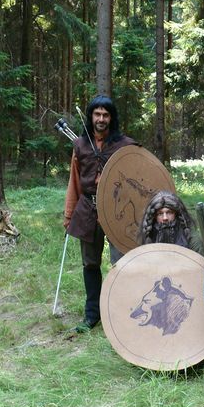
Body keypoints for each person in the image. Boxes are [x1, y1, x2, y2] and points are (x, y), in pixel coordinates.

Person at [64, 95, 137, 333]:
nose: (101, 119)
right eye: (97, 114)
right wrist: (69, 214)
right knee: (90, 263)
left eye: (106, 115)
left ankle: (123, 312)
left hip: (116, 210)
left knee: (121, 262)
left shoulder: (125, 146)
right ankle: (92, 315)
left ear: (111, 118)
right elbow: (74, 182)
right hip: (87, 208)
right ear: (91, 116)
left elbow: (138, 177)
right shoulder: (80, 145)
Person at [137, 190, 204, 255]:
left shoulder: (191, 237)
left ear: (176, 214)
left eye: (169, 212)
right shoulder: (149, 235)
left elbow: (199, 260)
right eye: (160, 214)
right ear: (154, 216)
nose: (165, 218)